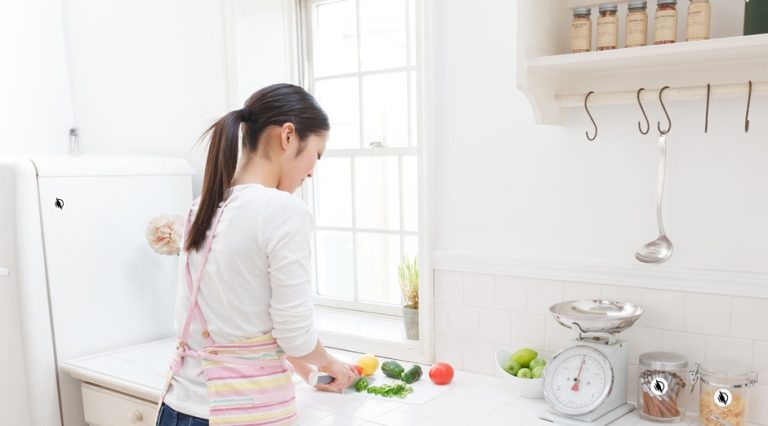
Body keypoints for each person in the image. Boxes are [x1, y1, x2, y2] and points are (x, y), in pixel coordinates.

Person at [157, 83, 359, 426]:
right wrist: (330, 364)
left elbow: (240, 326)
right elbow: (294, 335)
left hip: (177, 408)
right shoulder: (282, 210)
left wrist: (311, 373)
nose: (311, 171)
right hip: (239, 414)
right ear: (288, 136)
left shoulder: (201, 208)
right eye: (318, 154)